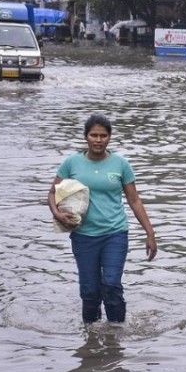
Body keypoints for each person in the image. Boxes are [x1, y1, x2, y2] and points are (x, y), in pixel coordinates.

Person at [48, 114, 157, 325]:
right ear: (86, 137)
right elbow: (52, 193)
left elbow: (134, 200)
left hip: (115, 234)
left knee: (111, 284)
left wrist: (150, 233)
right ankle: (90, 338)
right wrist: (57, 213)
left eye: (103, 136)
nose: (98, 140)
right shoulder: (72, 163)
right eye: (94, 135)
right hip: (83, 235)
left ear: (109, 138)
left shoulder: (120, 164)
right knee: (89, 292)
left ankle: (116, 333)